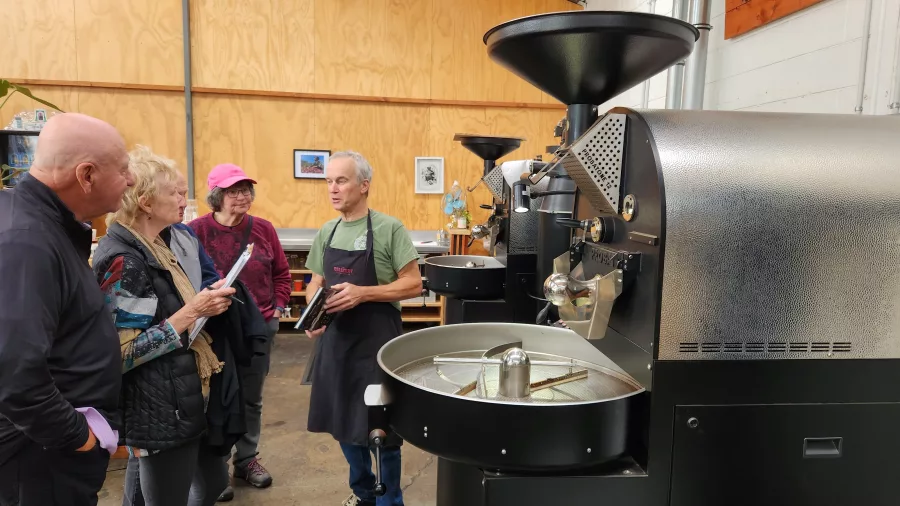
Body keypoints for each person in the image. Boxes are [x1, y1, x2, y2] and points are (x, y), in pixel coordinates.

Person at [0, 113, 133, 506]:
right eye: (123, 169)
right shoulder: (27, 242)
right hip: (38, 459)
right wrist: (78, 436)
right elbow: (14, 371)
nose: (131, 179)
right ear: (86, 175)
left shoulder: (44, 225)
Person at [92, 145, 236, 506]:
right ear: (145, 202)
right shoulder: (126, 260)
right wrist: (192, 312)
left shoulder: (156, 245)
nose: (184, 200)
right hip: (156, 405)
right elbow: (123, 353)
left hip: (177, 393)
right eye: (175, 193)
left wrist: (204, 305)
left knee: (210, 482)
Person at [305, 151, 422, 506]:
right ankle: (364, 492)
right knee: (343, 424)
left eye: (341, 181)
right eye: (329, 181)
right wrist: (314, 314)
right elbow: (316, 281)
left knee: (382, 431)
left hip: (378, 347)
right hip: (337, 346)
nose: (333, 188)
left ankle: (390, 501)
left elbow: (413, 284)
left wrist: (363, 293)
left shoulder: (389, 229)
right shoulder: (327, 231)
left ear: (364, 185)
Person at [189, 163, 291, 497]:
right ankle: (214, 470)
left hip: (256, 327)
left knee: (251, 398)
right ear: (216, 196)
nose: (243, 196)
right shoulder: (194, 231)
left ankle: (246, 460)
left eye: (246, 189)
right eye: (234, 191)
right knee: (212, 398)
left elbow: (281, 274)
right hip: (211, 329)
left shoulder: (264, 229)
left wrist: (276, 310)